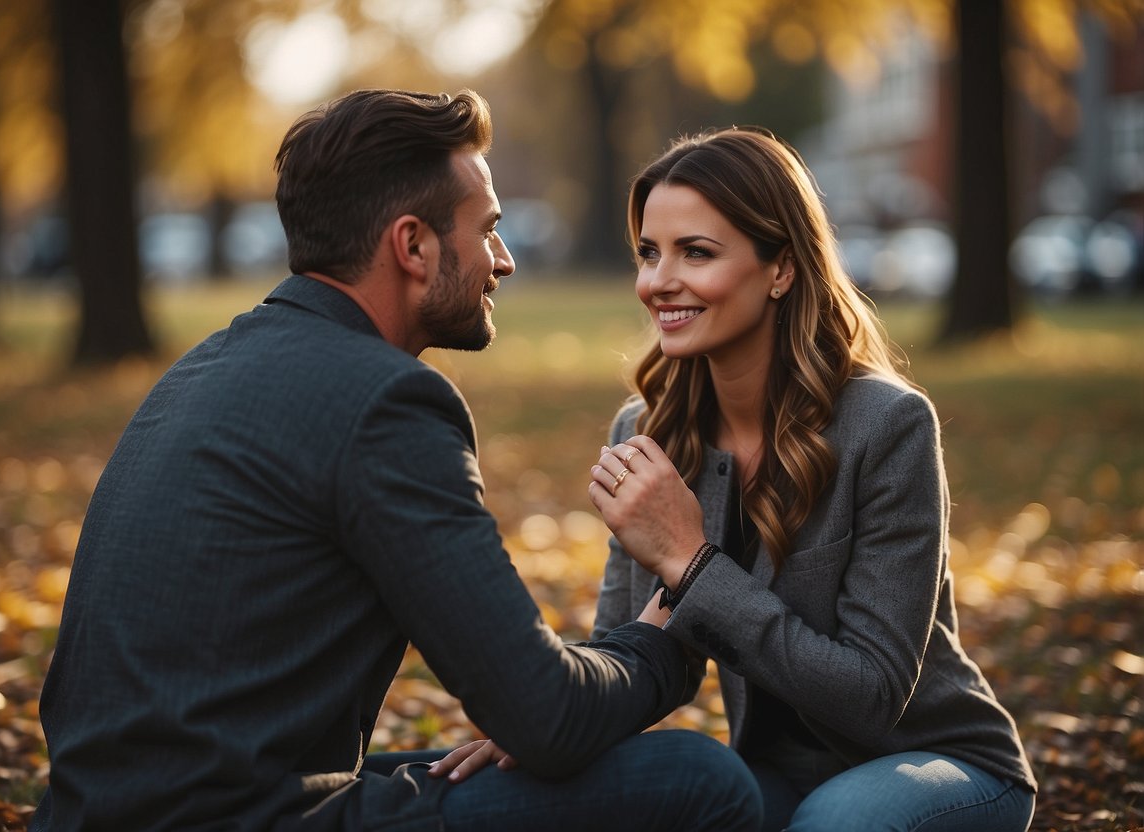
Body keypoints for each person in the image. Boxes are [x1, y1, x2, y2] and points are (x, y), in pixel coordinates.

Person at [30, 90, 761, 832]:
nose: (502, 260)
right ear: (412, 246)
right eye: (488, 231)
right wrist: (665, 640)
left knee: (468, 764)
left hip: (96, 810)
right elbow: (548, 717)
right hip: (237, 815)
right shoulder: (386, 402)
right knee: (696, 778)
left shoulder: (201, 368)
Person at [437, 127, 1038, 831]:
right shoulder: (648, 432)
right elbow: (628, 645)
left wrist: (693, 566)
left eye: (696, 252)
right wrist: (549, 726)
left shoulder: (887, 425)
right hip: (780, 776)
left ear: (779, 268)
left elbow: (870, 696)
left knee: (835, 823)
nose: (659, 281)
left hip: (938, 765)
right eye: (649, 253)